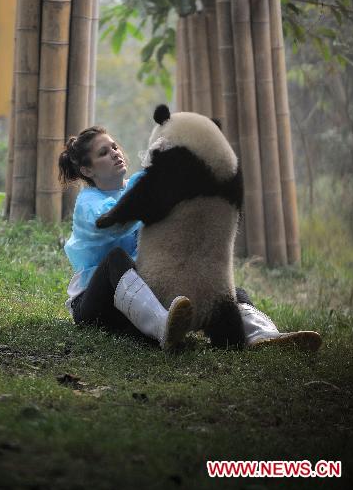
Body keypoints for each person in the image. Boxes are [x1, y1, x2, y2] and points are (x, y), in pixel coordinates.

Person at [59, 125, 322, 352]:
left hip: (137, 309)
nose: (115, 153)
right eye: (103, 153)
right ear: (87, 170)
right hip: (96, 306)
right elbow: (114, 223)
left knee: (224, 292)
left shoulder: (135, 187)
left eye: (114, 147)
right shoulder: (88, 203)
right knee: (116, 259)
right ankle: (165, 328)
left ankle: (263, 335)